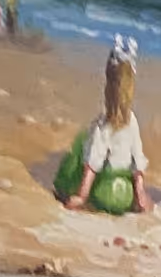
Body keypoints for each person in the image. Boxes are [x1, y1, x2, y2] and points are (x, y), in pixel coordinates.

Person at [56, 37, 152, 217]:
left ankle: (76, 191)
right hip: (125, 194)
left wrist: (81, 197)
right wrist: (140, 196)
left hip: (106, 193)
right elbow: (137, 161)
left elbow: (93, 163)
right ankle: (131, 201)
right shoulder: (132, 121)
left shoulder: (103, 125)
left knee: (79, 145)